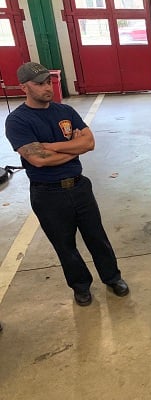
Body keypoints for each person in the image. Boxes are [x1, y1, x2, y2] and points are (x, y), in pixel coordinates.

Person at [4, 62, 129, 306]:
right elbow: (38, 160)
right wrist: (73, 149)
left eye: (48, 82)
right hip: (47, 193)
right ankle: (81, 286)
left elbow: (89, 142)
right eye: (39, 84)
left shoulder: (66, 112)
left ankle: (112, 277)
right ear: (23, 88)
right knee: (64, 244)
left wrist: (51, 147)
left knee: (97, 237)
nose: (46, 87)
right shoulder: (17, 121)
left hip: (80, 186)